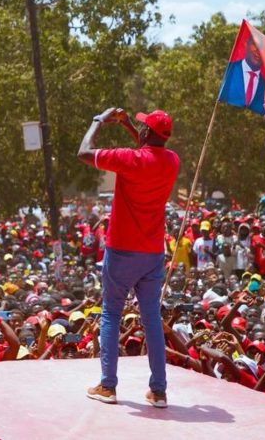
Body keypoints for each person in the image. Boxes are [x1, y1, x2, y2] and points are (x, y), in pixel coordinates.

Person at [78, 107, 180, 408]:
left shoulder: (129, 159)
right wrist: (127, 127)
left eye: (142, 127)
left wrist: (98, 120)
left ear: (147, 133)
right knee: (151, 319)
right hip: (152, 254)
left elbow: (84, 152)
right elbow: (149, 149)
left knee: (111, 314)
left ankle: (108, 386)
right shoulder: (172, 161)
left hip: (122, 251)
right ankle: (158, 391)